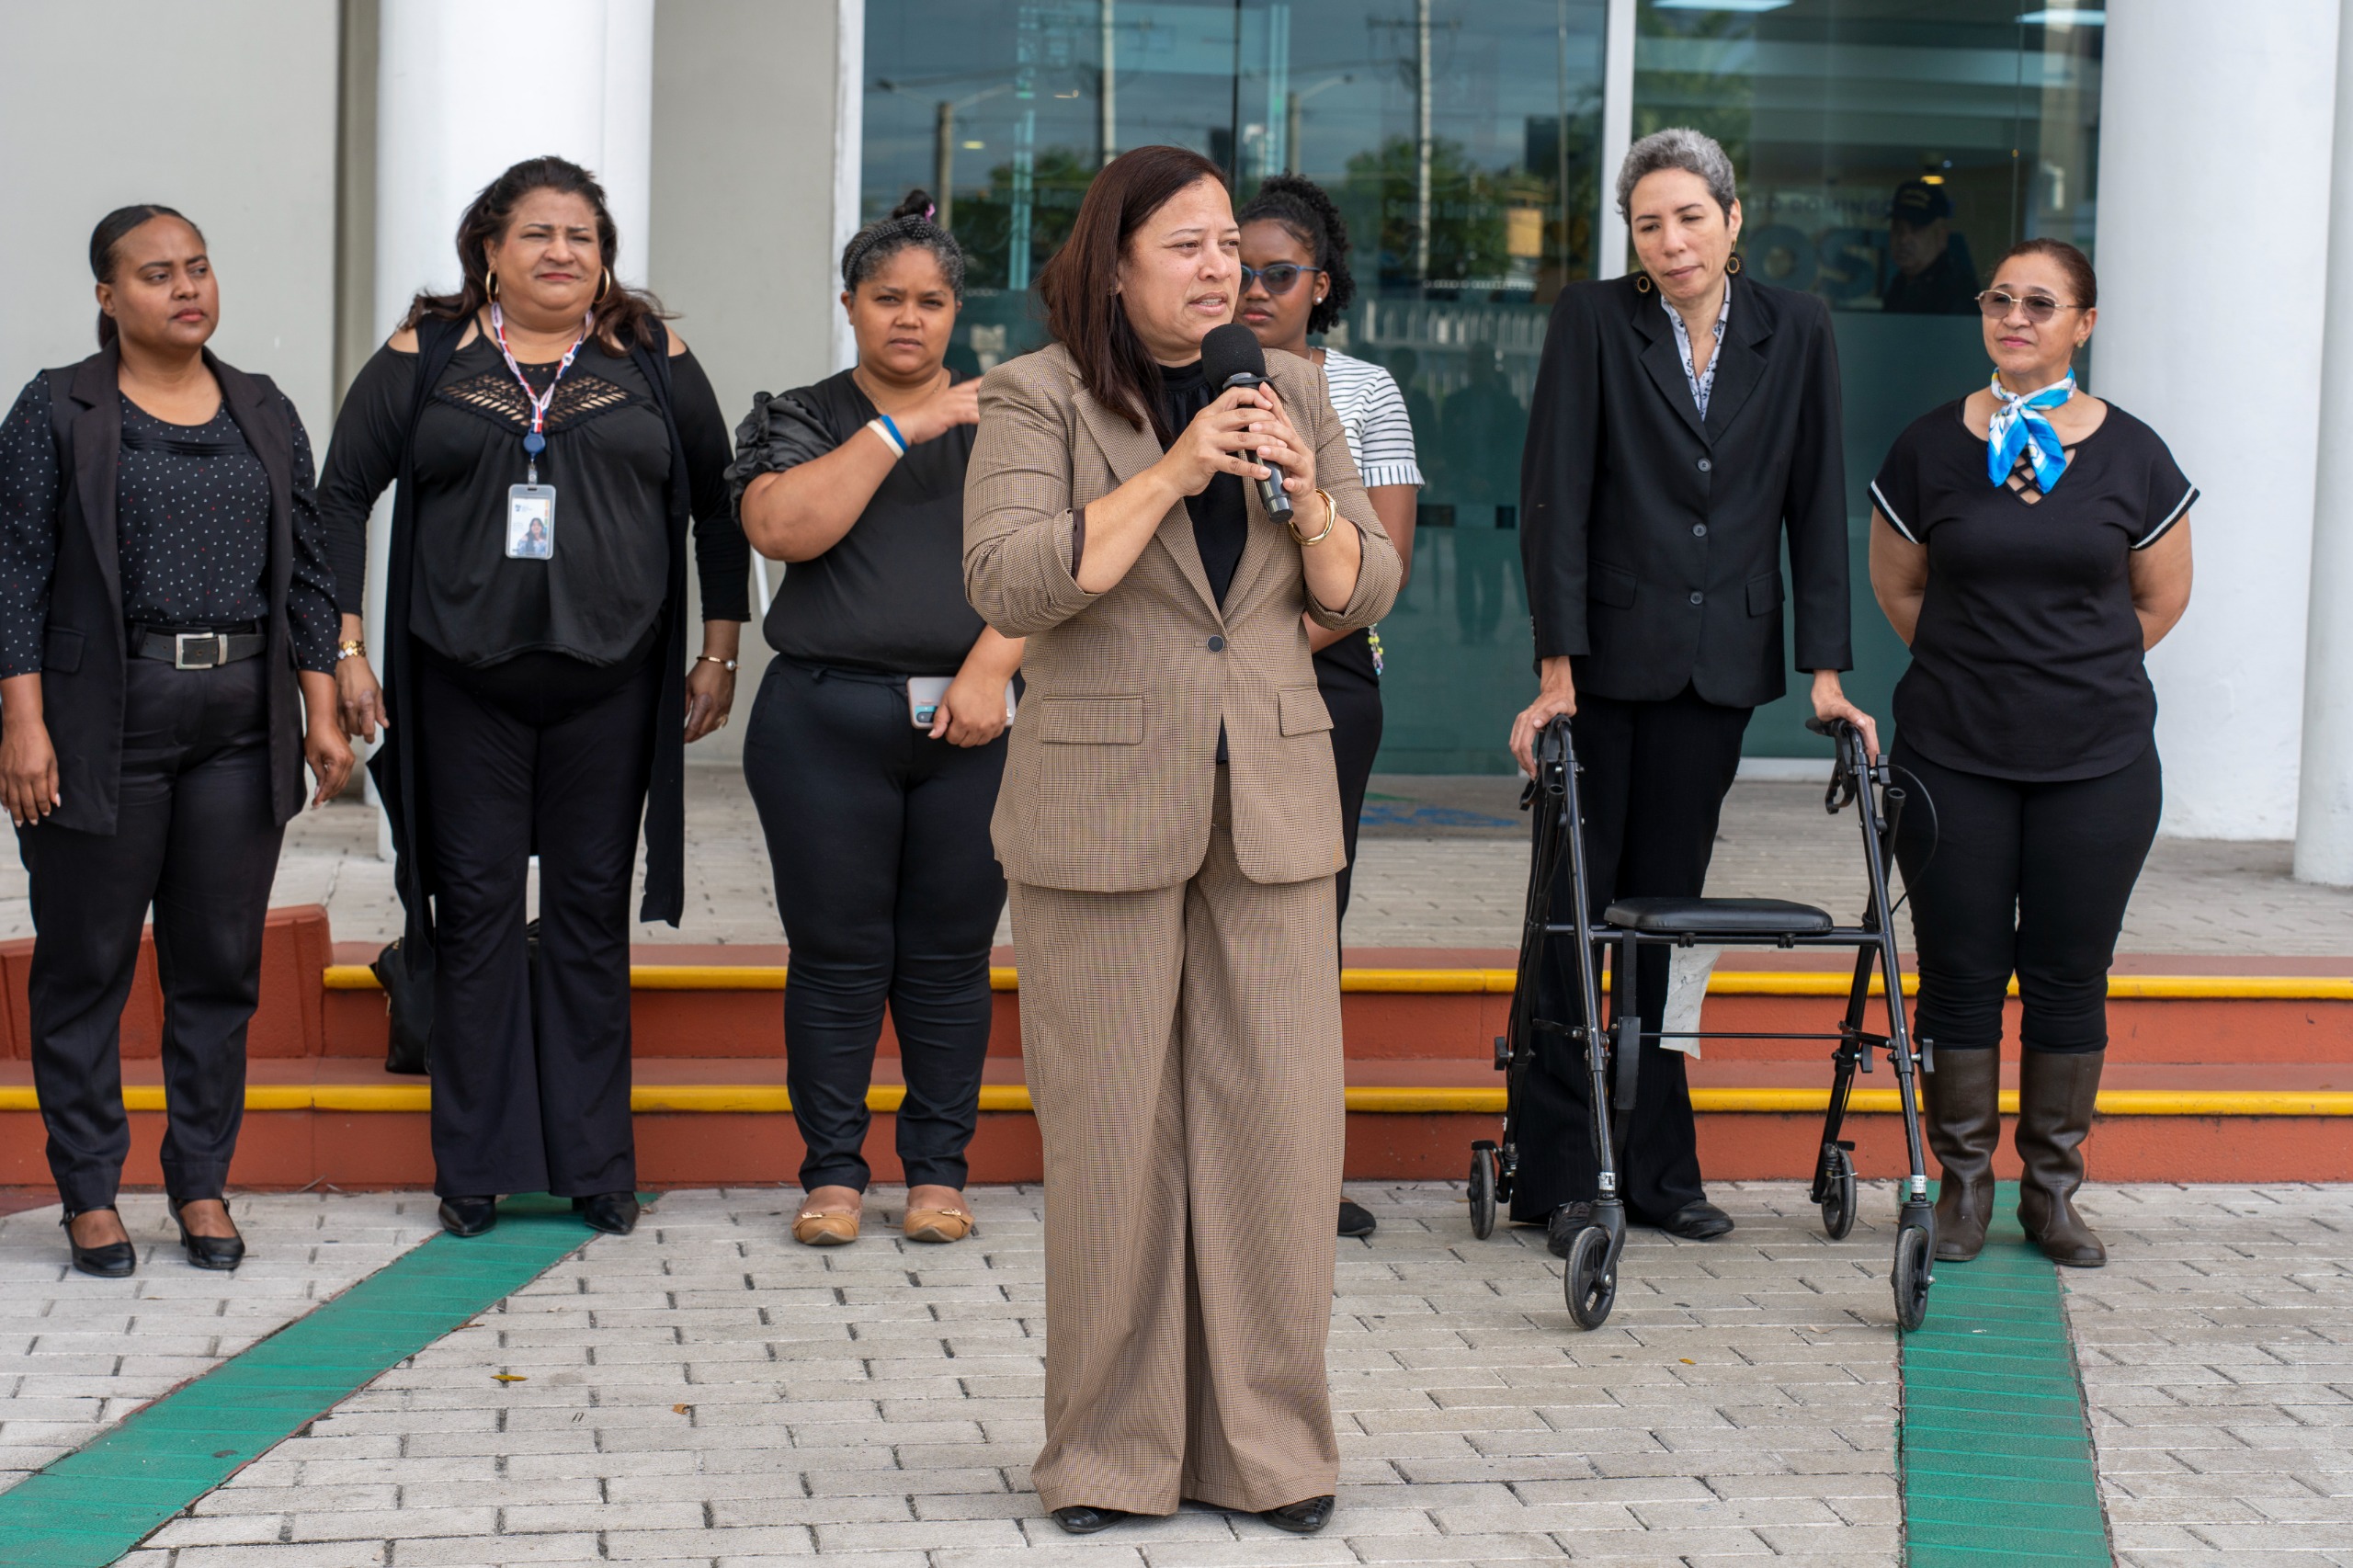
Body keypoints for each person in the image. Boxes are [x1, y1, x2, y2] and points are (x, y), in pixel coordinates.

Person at [962, 144, 1401, 1537]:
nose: (1226, 271)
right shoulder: (1037, 395)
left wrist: (1312, 502)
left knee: (1278, 1126)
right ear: (1115, 262)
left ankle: (1270, 1451)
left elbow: (1360, 586)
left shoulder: (1305, 390)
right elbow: (1015, 575)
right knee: (1111, 1140)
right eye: (1192, 246)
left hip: (1269, 802)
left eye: (1235, 248)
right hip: (1098, 805)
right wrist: (1171, 469)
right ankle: (1108, 1452)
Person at [320, 157, 747, 1241]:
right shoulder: (425, 355)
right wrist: (346, 645)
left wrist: (717, 652)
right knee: (471, 922)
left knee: (591, 921)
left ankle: (596, 1164)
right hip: (461, 689)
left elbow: (717, 505)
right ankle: (475, 1165)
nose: (563, 253)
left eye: (584, 236)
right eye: (538, 234)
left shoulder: (650, 358)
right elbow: (338, 499)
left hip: (613, 690)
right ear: (489, 249)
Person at [1510, 127, 1873, 1254]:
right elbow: (1553, 493)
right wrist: (1555, 667)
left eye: (1689, 218)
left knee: (1674, 914)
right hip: (1605, 664)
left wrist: (1825, 670)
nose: (1670, 243)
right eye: (1647, 223)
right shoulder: (1592, 319)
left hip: (1718, 670)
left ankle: (1661, 1166)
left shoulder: (1796, 326)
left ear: (1732, 216)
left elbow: (1815, 502)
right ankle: (1561, 1169)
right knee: (1576, 906)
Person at [0, 205, 352, 1276]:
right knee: (87, 962)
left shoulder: (260, 404)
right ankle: (91, 1192)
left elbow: (308, 567)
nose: (186, 288)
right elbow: (14, 570)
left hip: (239, 717)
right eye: (156, 274)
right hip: (102, 714)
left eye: (197, 266)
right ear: (108, 298)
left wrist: (321, 705)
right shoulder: (58, 405)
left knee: (218, 965)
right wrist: (20, 721)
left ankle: (200, 1179)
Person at [1868, 240, 2192, 1268]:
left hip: (2095, 759)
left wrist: (2066, 672)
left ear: (2081, 325)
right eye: (1999, 299)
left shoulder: (2135, 454)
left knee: (2066, 974)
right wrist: (1985, 669)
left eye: (2040, 303)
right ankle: (1962, 1188)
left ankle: (2051, 1195)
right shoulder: (1925, 447)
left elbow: (2160, 598)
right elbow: (1900, 588)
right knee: (1959, 972)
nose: (2015, 316)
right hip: (1953, 750)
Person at [728, 190, 1019, 1249]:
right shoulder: (800, 414)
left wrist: (994, 665)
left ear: (957, 310)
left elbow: (1063, 560)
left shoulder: (1015, 420)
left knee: (949, 956)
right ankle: (835, 1172)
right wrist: (905, 426)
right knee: (838, 954)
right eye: (887, 297)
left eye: (932, 300)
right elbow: (784, 528)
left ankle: (938, 1170)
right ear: (848, 303)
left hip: (976, 720)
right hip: (824, 720)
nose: (910, 318)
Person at [1236, 174, 1423, 1241]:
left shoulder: (1362, 389)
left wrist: (1263, 653)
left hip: (1321, 678)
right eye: (1239, 268)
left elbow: (1375, 568)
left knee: (1308, 925)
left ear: (1321, 283)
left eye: (1280, 272)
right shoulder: (1176, 381)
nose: (1254, 289)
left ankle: (1300, 1171)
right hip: (1194, 684)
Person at [1883, 177, 1979, 316]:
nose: (1903, 239)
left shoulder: (1955, 290)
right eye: (1898, 228)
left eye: (1916, 228)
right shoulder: (1900, 283)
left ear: (1941, 234)